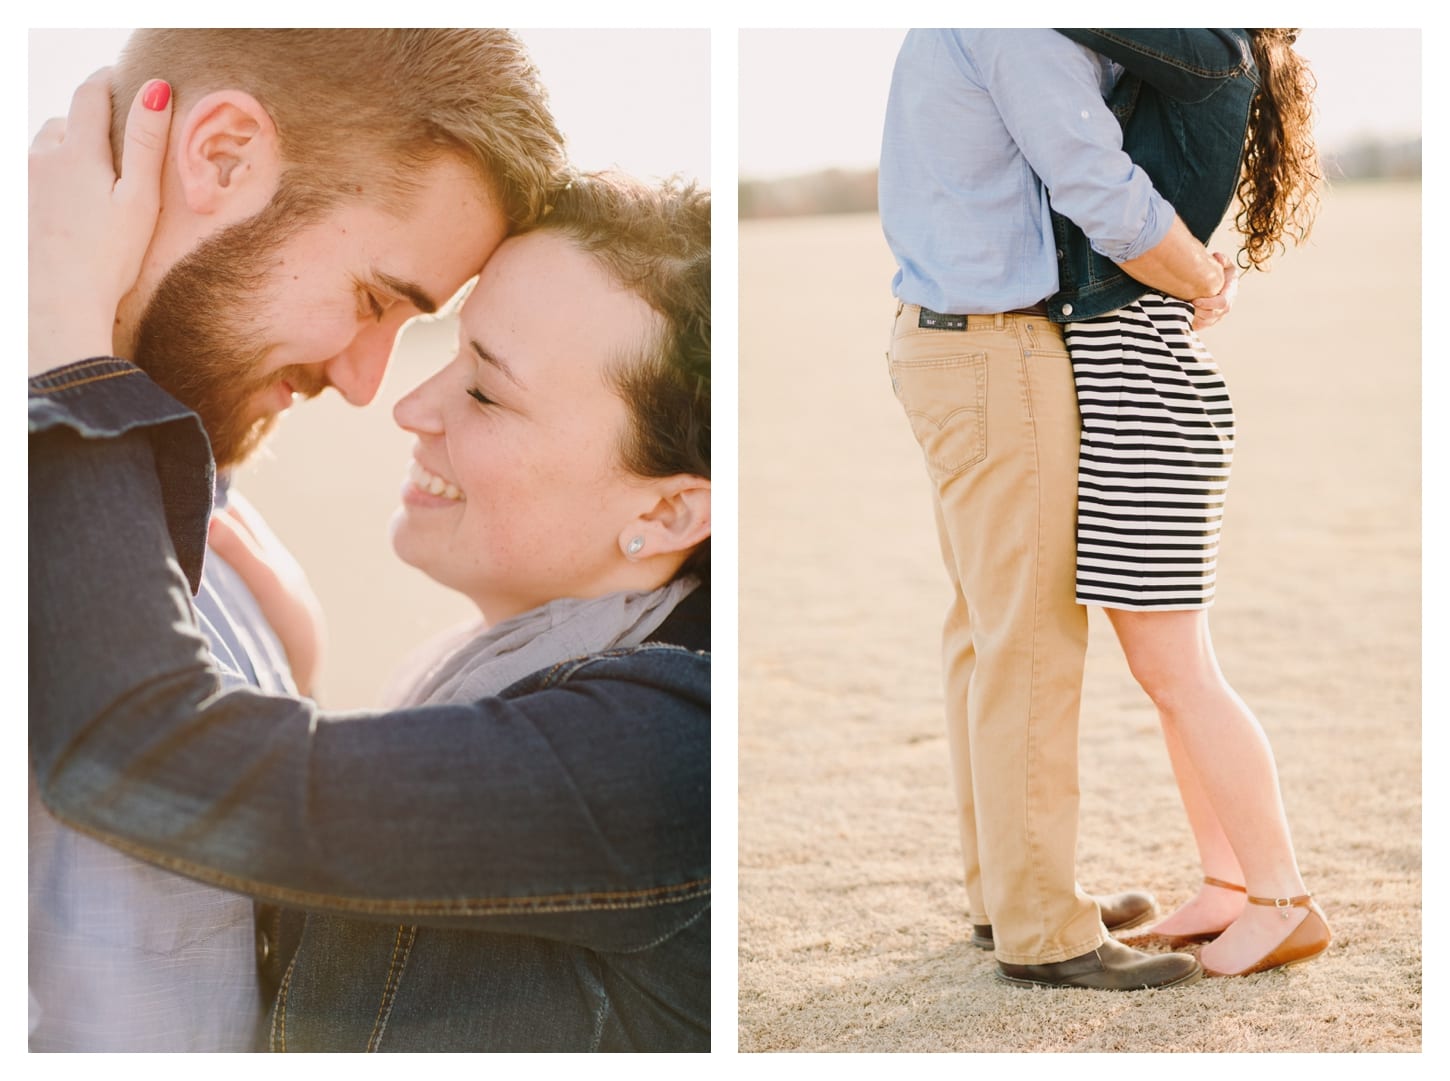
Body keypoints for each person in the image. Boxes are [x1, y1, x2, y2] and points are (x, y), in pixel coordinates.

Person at [29, 74, 711, 1051]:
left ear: (668, 506)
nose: (403, 403)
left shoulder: (658, 757)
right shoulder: (517, 686)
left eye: (486, 392)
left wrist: (63, 347)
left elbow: (149, 756)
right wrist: (293, 688)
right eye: (452, 350)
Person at [878, 28, 1238, 990]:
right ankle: (1044, 927)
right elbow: (1098, 188)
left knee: (985, 633)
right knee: (1032, 638)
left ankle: (1007, 892)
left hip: (946, 341)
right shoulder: (1023, 25)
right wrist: (1204, 275)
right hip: (998, 349)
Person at [1050, 28, 1329, 978]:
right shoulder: (1200, 61)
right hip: (1144, 399)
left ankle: (1284, 896)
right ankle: (1227, 884)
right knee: (1169, 673)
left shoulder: (1214, 48)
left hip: (1148, 404)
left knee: (1181, 674)